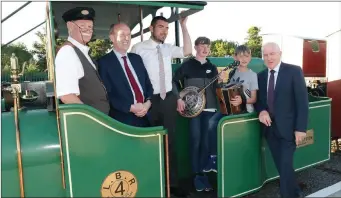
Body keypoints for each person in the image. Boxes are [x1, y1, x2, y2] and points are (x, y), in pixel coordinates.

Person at [131, 15, 192, 197]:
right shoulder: (139, 48)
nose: (164, 31)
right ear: (151, 28)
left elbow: (188, 51)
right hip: (149, 100)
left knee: (170, 142)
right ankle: (151, 183)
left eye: (166, 28)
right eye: (160, 27)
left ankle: (171, 185)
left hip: (168, 100)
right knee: (148, 142)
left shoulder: (167, 49)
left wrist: (183, 26)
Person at [256, 42, 308, 198]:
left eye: (272, 53)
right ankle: (296, 192)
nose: (269, 57)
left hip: (289, 130)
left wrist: (301, 128)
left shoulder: (294, 71)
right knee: (282, 167)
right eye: (265, 55)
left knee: (285, 165)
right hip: (270, 130)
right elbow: (260, 101)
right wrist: (262, 110)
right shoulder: (261, 76)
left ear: (280, 53)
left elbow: (302, 102)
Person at [173, 37, 221, 192]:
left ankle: (204, 175)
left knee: (206, 144)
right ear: (195, 47)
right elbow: (174, 82)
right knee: (195, 141)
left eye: (207, 46)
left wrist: (220, 82)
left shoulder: (212, 67)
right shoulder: (186, 65)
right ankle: (196, 176)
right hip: (193, 110)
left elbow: (217, 89)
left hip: (210, 110)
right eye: (202, 46)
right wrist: (179, 98)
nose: (205, 49)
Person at [55, 7, 109, 114]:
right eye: (82, 26)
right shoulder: (68, 52)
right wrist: (93, 119)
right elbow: (67, 96)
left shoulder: (82, 52)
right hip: (89, 124)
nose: (87, 30)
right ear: (70, 26)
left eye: (90, 26)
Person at [97, 23, 153, 127]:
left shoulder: (137, 59)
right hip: (122, 120)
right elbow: (107, 94)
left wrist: (147, 104)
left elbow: (148, 85)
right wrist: (130, 107)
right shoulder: (103, 63)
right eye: (122, 35)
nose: (126, 38)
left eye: (129, 35)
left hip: (146, 116)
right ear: (112, 38)